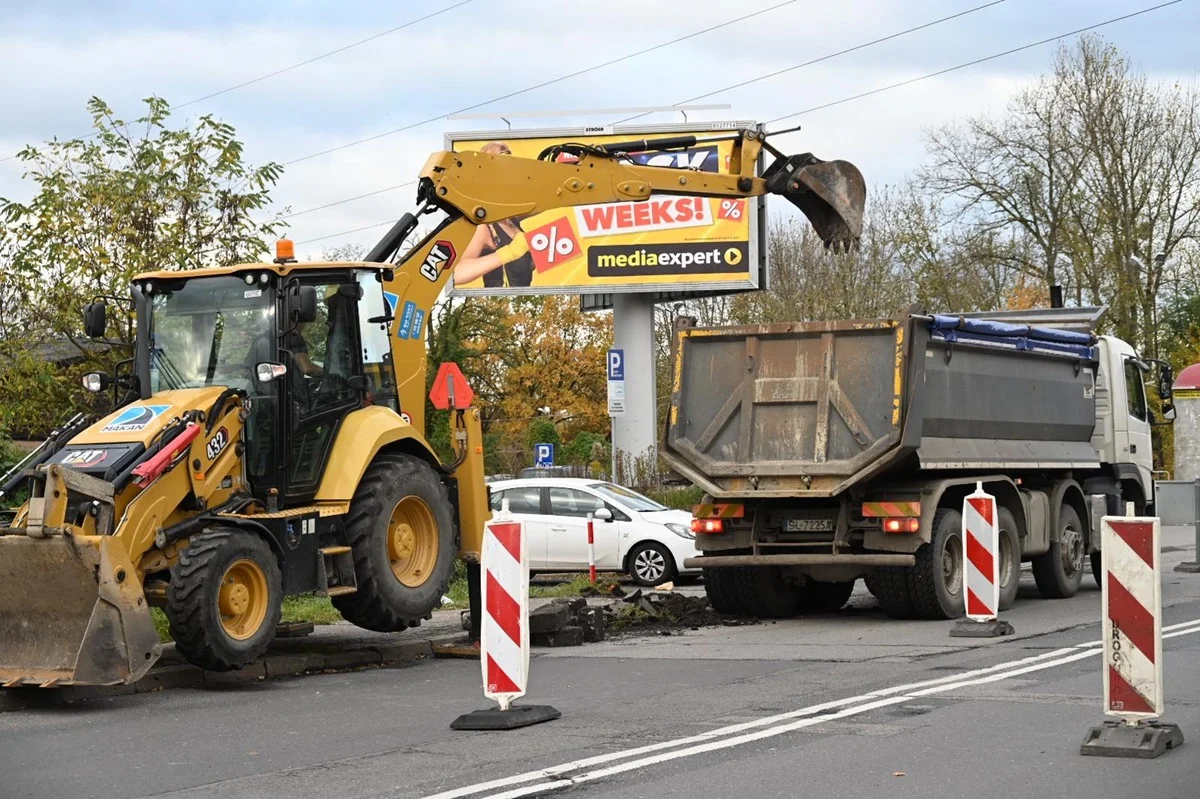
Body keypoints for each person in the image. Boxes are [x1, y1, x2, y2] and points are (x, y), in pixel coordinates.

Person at [452, 141, 536, 289]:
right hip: (500, 302)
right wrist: (509, 253)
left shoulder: (512, 218)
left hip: (524, 299)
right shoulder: (484, 226)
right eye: (502, 155)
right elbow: (456, 273)